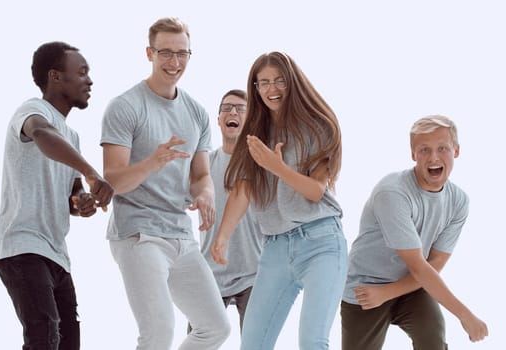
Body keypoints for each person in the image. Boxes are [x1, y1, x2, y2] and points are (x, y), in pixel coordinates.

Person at [100, 17, 230, 350]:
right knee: (158, 333)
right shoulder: (125, 107)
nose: (175, 63)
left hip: (181, 236)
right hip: (139, 234)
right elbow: (114, 179)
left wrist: (205, 195)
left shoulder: (197, 113)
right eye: (166, 53)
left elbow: (201, 175)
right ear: (150, 53)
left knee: (215, 328)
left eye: (182, 54)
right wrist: (152, 162)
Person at [211, 51, 348, 350]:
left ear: (293, 82)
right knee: (253, 344)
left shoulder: (319, 126)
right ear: (256, 89)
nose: (272, 89)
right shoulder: (255, 134)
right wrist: (222, 236)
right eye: (264, 83)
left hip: (321, 241)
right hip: (274, 248)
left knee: (312, 341)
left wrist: (278, 168)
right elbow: (244, 188)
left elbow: (315, 191)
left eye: (279, 81)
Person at [0, 41, 114, 350]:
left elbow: (73, 192)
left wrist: (81, 202)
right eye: (81, 72)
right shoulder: (33, 110)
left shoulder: (72, 136)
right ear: (56, 77)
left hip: (56, 253)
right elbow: (42, 135)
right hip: (22, 243)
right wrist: (92, 172)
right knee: (44, 336)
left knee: (68, 341)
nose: (90, 81)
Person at [341, 115, 488, 350]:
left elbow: (435, 262)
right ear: (413, 154)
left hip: (411, 286)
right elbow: (420, 266)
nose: (433, 157)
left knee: (433, 339)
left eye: (442, 148)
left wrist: (390, 291)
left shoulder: (458, 201)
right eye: (424, 150)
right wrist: (465, 315)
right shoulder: (393, 193)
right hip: (367, 290)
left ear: (456, 151)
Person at [190, 89, 264, 334]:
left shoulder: (262, 164)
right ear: (219, 119)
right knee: (198, 339)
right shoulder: (204, 166)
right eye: (227, 108)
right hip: (209, 273)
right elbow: (175, 197)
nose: (233, 112)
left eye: (240, 109)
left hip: (253, 273)